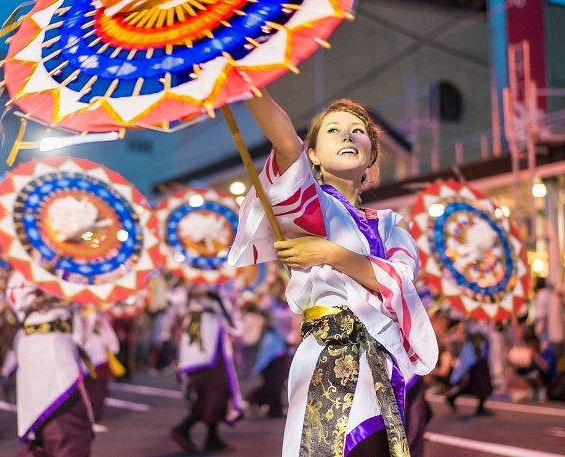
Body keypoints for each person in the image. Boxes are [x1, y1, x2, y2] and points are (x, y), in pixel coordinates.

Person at [228, 89, 438, 456]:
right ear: (312, 155)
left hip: (389, 361)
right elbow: (284, 141)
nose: (347, 135)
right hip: (329, 360)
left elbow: (401, 279)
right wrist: (245, 82)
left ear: (372, 156)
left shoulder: (392, 223)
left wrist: (330, 253)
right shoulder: (312, 207)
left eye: (358, 131)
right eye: (333, 130)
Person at [5, 270, 94, 457]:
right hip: (47, 353)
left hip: (59, 349)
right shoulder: (24, 271)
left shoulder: (68, 269)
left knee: (52, 432)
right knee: (67, 430)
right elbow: (17, 298)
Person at [170, 284, 243, 453]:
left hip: (216, 343)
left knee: (220, 390)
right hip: (198, 348)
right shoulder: (185, 280)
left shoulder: (220, 285)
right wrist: (191, 290)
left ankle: (212, 437)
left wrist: (215, 296)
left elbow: (232, 320)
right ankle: (184, 428)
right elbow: (175, 301)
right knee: (212, 390)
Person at [246, 276, 297, 418]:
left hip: (286, 346)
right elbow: (254, 306)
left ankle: (259, 400)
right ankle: (268, 405)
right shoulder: (269, 302)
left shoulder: (290, 303)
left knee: (279, 380)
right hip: (271, 346)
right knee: (273, 379)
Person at [445, 321, 494, 416]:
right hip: (474, 357)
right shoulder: (472, 322)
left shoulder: (483, 321)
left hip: (480, 355)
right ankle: (479, 407)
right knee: (481, 383)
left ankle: (454, 396)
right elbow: (472, 336)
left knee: (477, 383)